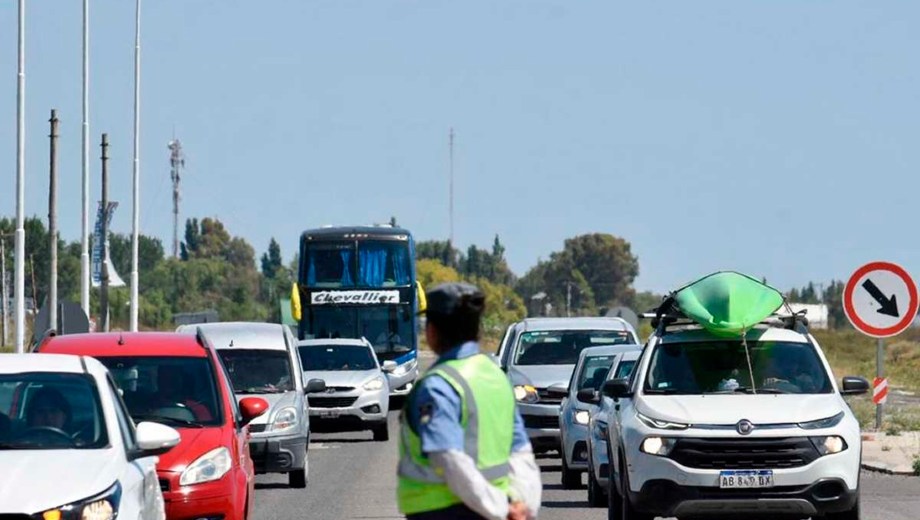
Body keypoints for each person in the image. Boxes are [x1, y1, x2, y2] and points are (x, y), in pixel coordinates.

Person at [397, 282, 542, 520]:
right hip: (498, 507)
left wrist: (500, 509)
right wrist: (522, 507)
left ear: (431, 331)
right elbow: (521, 452)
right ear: (478, 330)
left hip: (446, 512)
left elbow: (448, 459)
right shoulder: (496, 377)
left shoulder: (437, 386)